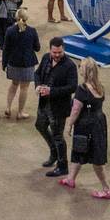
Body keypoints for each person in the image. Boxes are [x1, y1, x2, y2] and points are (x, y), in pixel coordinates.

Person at [59, 58, 110, 199]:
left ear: (86, 71)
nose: (79, 68)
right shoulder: (100, 87)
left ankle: (107, 189)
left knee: (96, 160)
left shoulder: (82, 89)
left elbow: (76, 110)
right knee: (79, 151)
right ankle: (71, 178)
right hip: (99, 123)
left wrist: (69, 125)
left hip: (86, 125)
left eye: (81, 66)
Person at [34, 36, 78, 177]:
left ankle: (62, 165)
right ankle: (53, 152)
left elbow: (72, 87)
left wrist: (52, 91)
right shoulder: (46, 58)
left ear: (63, 49)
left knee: (58, 136)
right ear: (50, 50)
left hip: (58, 108)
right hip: (44, 103)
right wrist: (38, 86)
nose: (57, 55)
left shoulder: (70, 66)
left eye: (60, 52)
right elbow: (37, 74)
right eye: (54, 52)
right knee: (40, 125)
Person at [1, 7, 38, 120]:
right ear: (26, 18)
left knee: (14, 84)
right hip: (27, 63)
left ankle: (8, 107)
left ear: (16, 18)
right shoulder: (32, 31)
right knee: (24, 88)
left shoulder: (10, 31)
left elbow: (6, 49)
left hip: (13, 62)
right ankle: (20, 112)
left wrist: (4, 63)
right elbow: (37, 48)